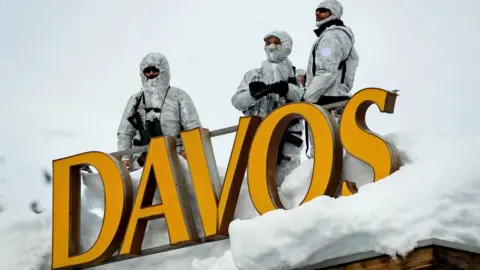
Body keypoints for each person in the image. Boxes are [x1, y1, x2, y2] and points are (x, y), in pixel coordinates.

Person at [231, 30, 305, 187]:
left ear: (286, 45)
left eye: (276, 42)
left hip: (289, 137)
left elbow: (309, 100)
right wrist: (253, 94)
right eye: (268, 42)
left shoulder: (298, 75)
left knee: (289, 184)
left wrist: (288, 90)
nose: (271, 46)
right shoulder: (252, 75)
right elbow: (237, 101)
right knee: (260, 180)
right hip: (259, 133)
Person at [117, 52, 202, 172]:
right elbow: (125, 132)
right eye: (147, 70)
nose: (151, 73)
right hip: (141, 165)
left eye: (155, 69)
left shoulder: (179, 96)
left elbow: (193, 128)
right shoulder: (135, 100)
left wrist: (188, 151)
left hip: (175, 161)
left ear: (163, 70)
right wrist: (125, 157)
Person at [303, 0, 359, 157]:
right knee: (337, 151)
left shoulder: (330, 37)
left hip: (326, 102)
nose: (317, 14)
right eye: (316, 11)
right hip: (338, 100)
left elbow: (327, 71)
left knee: (323, 155)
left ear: (333, 12)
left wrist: (307, 97)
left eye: (322, 10)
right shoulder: (345, 39)